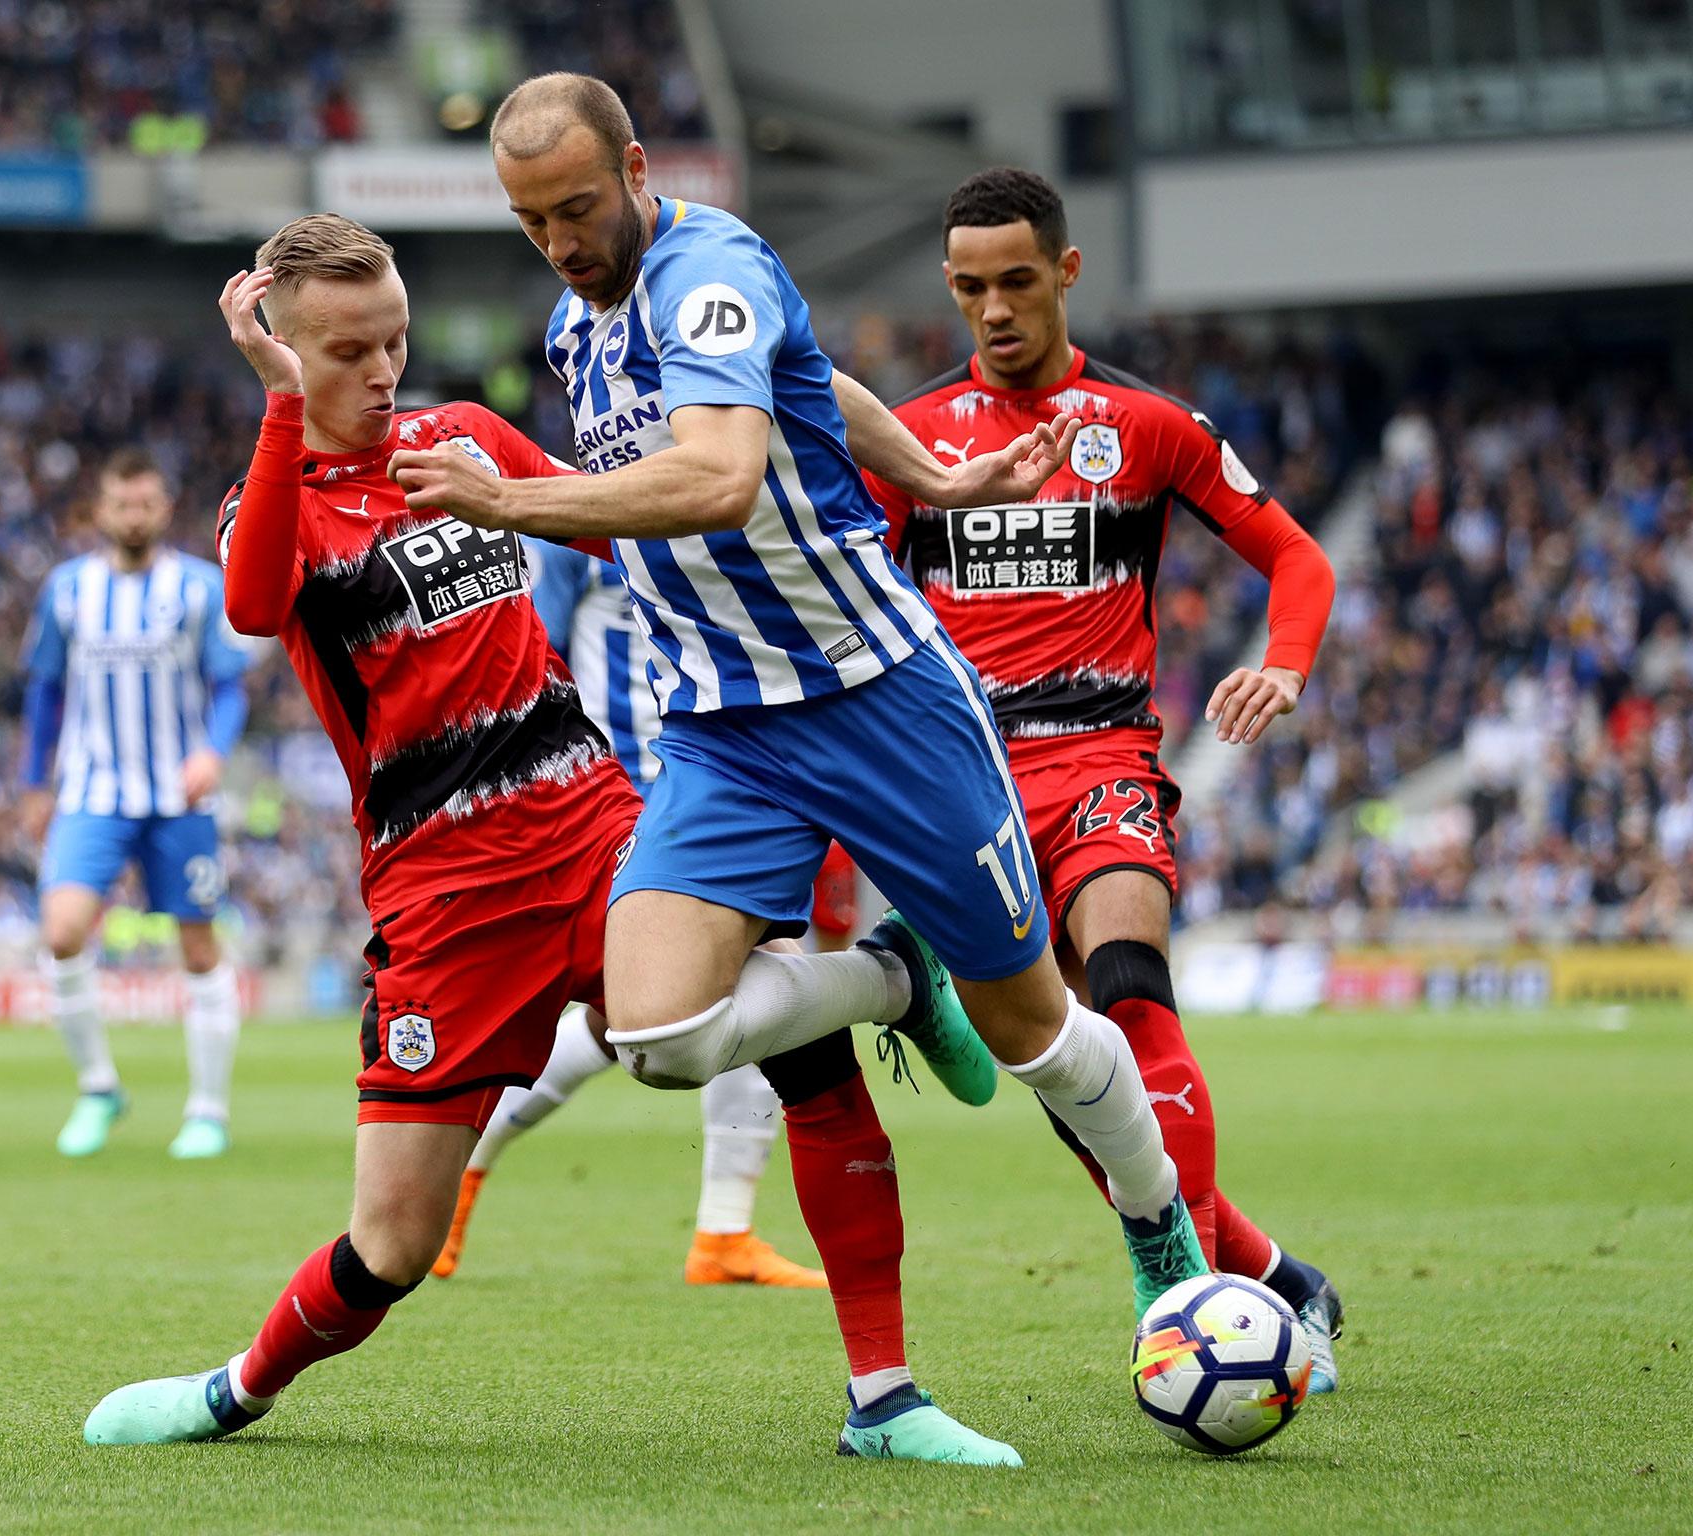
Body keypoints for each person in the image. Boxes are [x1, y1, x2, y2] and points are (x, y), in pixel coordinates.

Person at [81, 214, 1023, 1466]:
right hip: (445, 893)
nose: (381, 372)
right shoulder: (272, 500)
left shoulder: (461, 438)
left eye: (395, 341)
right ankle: (236, 1392)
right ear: (285, 353)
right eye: (347, 352)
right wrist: (275, 407)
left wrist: (768, 465)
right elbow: (253, 609)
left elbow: (607, 518)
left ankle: (888, 1400)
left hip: (593, 821)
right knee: (394, 1244)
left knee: (803, 1065)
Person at [398, 73, 1212, 1365]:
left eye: (575, 206)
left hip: (874, 693)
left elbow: (724, 477)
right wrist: (938, 474)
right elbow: (813, 381)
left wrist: (509, 506)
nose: (559, 240)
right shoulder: (575, 325)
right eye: (529, 218)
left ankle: (1162, 1229)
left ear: (637, 169)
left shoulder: (706, 268)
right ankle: (892, 978)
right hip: (723, 728)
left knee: (1037, 1034)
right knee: (656, 1032)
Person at [863, 166, 1345, 1390]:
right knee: (1073, 1073)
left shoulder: (1147, 425)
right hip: (962, 778)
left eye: (1016, 281)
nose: (994, 309)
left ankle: (1202, 1309)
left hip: (1101, 754)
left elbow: (1295, 561)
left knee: (1132, 993)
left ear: (1066, 273)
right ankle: (1269, 1277)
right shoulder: (908, 441)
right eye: (969, 287)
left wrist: (1282, 669)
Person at [432, 539, 826, 1290]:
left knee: (636, 1021)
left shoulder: (725, 503)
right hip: (622, 803)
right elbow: (528, 654)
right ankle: (723, 1231)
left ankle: (718, 1233)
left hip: (719, 790)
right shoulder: (575, 525)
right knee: (758, 983)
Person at [19, 448, 251, 1161]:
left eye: (146, 503)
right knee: (61, 932)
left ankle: (207, 1111)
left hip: (177, 795)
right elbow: (44, 691)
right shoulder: (67, 590)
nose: (134, 515)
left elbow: (229, 685)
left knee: (198, 946)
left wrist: (212, 750)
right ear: (100, 511)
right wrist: (35, 781)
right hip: (93, 791)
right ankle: (99, 1089)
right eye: (122, 504)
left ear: (164, 507)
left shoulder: (199, 589)